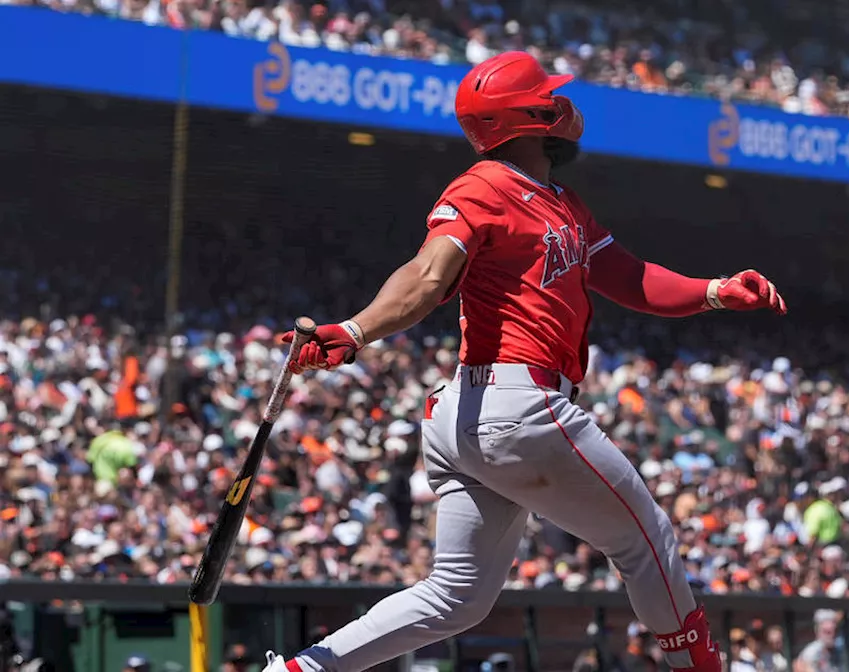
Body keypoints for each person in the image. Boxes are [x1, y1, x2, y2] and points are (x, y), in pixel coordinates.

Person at [264, 50, 786, 672]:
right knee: (646, 540)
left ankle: (301, 670)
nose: (561, 103)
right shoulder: (483, 185)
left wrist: (712, 290)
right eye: (548, 96)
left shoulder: (562, 202)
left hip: (472, 415)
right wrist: (356, 330)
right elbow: (428, 276)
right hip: (517, 404)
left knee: (456, 597)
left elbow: (629, 276)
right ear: (528, 116)